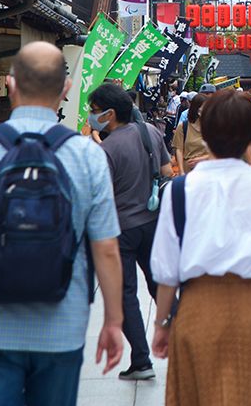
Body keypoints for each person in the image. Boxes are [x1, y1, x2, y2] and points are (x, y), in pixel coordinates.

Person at [0, 42, 124, 406]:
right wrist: (113, 320)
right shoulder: (87, 156)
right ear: (65, 89)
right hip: (63, 325)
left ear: (10, 85)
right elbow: (106, 248)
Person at [150, 89, 251, 405]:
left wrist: (161, 324)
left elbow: (167, 270)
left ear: (205, 132)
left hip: (198, 310)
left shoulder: (181, 190)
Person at [87, 82, 174, 382]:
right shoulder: (150, 131)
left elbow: (99, 197)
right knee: (159, 284)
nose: (91, 116)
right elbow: (167, 173)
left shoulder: (106, 149)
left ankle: (141, 360)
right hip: (153, 223)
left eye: (95, 111)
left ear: (109, 114)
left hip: (120, 230)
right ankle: (182, 343)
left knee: (125, 295)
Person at [172, 93, 210, 173]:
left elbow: (219, 152)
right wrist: (181, 172)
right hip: (188, 171)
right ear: (197, 109)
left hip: (208, 171)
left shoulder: (213, 128)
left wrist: (202, 159)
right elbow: (179, 150)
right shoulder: (183, 127)